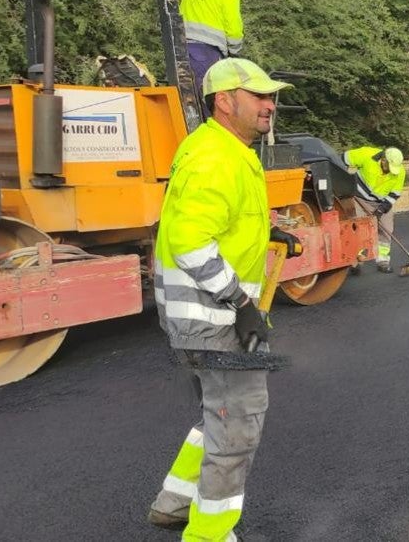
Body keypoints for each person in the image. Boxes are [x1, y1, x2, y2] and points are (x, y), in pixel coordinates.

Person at [147, 58, 299, 540]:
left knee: (218, 411)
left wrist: (267, 230)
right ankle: (208, 535)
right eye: (258, 95)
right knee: (239, 425)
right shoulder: (216, 155)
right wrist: (242, 303)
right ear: (224, 100)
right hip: (214, 318)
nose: (270, 104)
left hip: (201, 316)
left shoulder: (226, 149)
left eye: (271, 95)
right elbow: (192, 242)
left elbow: (214, 222)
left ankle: (176, 502)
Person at [180, 0, 250, 114]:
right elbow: (234, 32)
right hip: (206, 54)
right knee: (211, 101)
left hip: (181, 51)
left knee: (187, 99)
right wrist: (235, 54)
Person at [344, 145, 406, 272]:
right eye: (389, 166)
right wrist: (344, 181)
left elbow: (395, 194)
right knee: (360, 229)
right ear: (383, 159)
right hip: (359, 198)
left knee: (386, 229)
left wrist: (381, 210)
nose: (391, 171)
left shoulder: (400, 171)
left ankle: (383, 260)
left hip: (381, 203)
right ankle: (357, 261)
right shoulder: (366, 155)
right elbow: (342, 159)